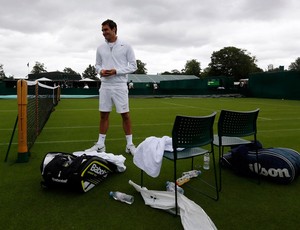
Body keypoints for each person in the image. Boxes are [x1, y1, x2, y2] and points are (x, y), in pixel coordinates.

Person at [85, 19, 137, 155]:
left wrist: (116, 71)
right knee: (104, 115)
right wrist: (100, 71)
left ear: (114, 29)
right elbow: (97, 65)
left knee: (125, 115)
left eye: (106, 30)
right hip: (105, 85)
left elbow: (133, 66)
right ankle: (101, 145)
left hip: (120, 85)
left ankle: (130, 145)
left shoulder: (126, 46)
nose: (103, 33)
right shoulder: (100, 48)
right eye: (102, 30)